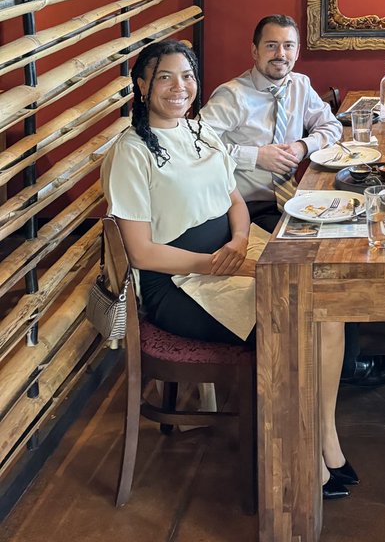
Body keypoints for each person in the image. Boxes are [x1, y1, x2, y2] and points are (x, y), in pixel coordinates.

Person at [101, 40, 355, 498]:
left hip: (231, 252)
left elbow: (234, 199)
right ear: (141, 87)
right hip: (178, 281)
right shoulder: (131, 152)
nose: (179, 87)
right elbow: (140, 252)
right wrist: (216, 264)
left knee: (329, 309)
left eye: (187, 76)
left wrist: (239, 241)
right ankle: (300, 463)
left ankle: (325, 438)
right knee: (294, 324)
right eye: (164, 77)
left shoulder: (200, 131)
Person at [201, 14, 385, 390]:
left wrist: (301, 145)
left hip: (292, 199)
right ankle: (332, 365)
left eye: (288, 46)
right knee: (325, 260)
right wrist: (254, 156)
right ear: (254, 50)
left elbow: (328, 126)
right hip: (244, 209)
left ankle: (339, 356)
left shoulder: (299, 85)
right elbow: (197, 147)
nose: (281, 54)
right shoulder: (232, 96)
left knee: (350, 242)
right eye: (272, 45)